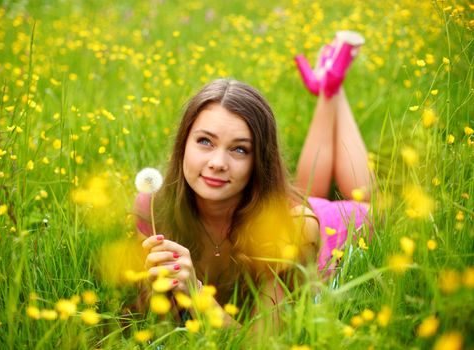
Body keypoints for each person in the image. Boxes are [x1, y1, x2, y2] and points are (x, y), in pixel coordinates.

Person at [135, 31, 374, 331]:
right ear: (183, 144)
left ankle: (332, 90)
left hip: (329, 229)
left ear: (258, 161)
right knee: (306, 189)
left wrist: (197, 296)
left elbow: (261, 342)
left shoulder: (296, 227)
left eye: (239, 149)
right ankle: (330, 85)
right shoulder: (152, 206)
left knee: (363, 196)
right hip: (281, 205)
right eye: (205, 141)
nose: (217, 163)